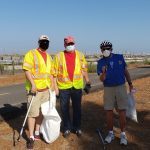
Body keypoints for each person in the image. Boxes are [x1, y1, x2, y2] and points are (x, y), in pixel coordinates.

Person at [53, 36, 91, 137]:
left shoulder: (80, 55)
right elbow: (54, 74)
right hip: (63, 87)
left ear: (74, 44)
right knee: (64, 109)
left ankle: (77, 127)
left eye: (72, 43)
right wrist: (55, 89)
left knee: (77, 108)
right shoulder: (59, 56)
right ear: (64, 45)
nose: (70, 45)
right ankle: (66, 128)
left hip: (77, 87)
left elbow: (84, 69)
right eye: (68, 44)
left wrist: (87, 82)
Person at [97, 41, 134, 145]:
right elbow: (101, 79)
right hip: (108, 88)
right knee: (109, 111)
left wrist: (130, 84)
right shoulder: (100, 62)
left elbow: (125, 72)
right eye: (103, 49)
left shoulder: (119, 57)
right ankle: (110, 133)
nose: (105, 50)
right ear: (101, 50)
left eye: (107, 48)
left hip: (121, 87)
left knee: (122, 111)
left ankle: (123, 134)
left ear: (111, 49)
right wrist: (104, 72)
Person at [22, 35, 54, 149]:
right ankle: (30, 137)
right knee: (32, 113)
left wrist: (53, 86)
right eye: (43, 41)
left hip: (46, 90)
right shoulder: (31, 54)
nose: (45, 43)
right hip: (35, 90)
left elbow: (50, 73)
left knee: (41, 112)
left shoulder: (49, 57)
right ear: (39, 42)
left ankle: (37, 132)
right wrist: (33, 84)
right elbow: (27, 70)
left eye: (47, 41)